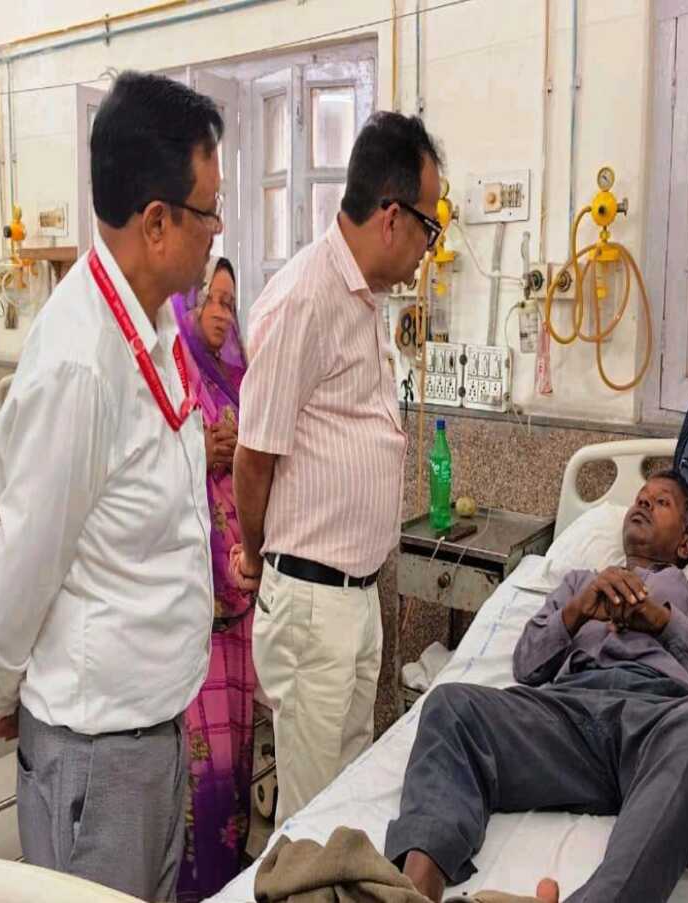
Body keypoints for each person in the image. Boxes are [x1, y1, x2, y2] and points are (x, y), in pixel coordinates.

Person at [0, 71, 223, 901]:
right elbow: (24, 561)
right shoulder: (81, 362)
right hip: (95, 754)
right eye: (209, 211)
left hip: (149, 735)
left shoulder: (152, 330)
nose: (217, 232)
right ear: (157, 222)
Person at [385, 472, 688, 903]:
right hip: (566, 720)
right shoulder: (580, 584)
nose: (643, 504)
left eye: (661, 502)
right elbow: (527, 666)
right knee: (451, 705)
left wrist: (664, 624)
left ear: (685, 545)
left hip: (657, 726)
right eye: (641, 498)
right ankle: (415, 892)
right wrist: (577, 612)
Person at [230, 111, 445, 827]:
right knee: (311, 822)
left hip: (354, 596)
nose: (428, 249)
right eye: (429, 228)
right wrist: (256, 557)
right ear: (392, 217)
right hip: (311, 602)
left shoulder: (363, 300)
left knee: (346, 802)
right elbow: (254, 455)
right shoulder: (306, 297)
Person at [170, 257, 257, 900]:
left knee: (237, 752)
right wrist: (198, 454)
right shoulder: (170, 374)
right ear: (189, 302)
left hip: (240, 599)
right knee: (201, 764)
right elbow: (139, 472)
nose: (224, 313)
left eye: (231, 301)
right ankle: (195, 887)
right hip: (193, 605)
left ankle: (229, 882)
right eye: (214, 300)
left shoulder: (239, 377)